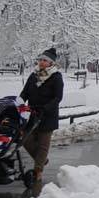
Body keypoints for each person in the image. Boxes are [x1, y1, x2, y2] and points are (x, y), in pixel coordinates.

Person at [20, 47, 64, 187]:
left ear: (51, 63)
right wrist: (19, 104)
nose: (41, 62)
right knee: (25, 139)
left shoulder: (56, 77)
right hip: (32, 113)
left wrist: (46, 108)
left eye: (45, 60)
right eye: (40, 59)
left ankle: (37, 171)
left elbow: (58, 97)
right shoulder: (33, 75)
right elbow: (25, 92)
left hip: (48, 114)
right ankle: (42, 160)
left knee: (43, 145)